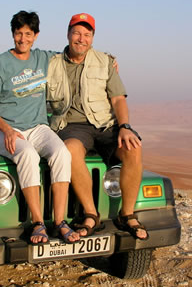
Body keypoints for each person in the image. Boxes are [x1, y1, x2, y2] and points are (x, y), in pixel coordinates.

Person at [0, 11, 79, 244]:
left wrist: (108, 58)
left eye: (27, 34)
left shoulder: (43, 59)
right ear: (12, 34)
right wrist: (6, 130)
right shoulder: (0, 64)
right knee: (26, 154)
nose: (22, 39)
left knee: (62, 153)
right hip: (5, 130)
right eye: (18, 33)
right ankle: (37, 222)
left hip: (38, 127)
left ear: (35, 36)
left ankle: (60, 221)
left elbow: (74, 54)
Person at [47, 13, 148, 240]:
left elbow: (118, 99)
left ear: (92, 38)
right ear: (68, 34)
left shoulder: (104, 62)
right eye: (77, 33)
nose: (81, 39)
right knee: (70, 151)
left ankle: (127, 214)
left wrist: (125, 126)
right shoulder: (50, 64)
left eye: (87, 34)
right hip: (71, 125)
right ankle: (91, 214)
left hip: (105, 125)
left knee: (134, 147)